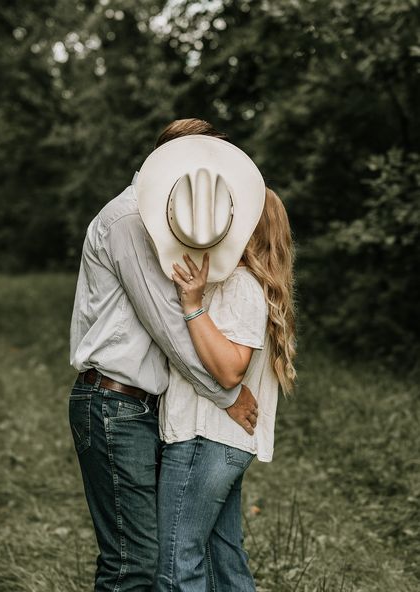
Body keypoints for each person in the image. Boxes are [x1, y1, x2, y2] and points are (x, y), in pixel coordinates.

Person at [68, 119, 259, 592]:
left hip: (139, 407)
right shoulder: (130, 219)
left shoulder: (164, 223)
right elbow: (169, 323)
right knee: (132, 565)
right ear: (172, 163)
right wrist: (225, 394)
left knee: (149, 559)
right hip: (115, 404)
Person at [153, 190, 296, 590]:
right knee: (222, 561)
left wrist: (192, 304)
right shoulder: (246, 283)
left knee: (178, 565)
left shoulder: (240, 285)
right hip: (219, 442)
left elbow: (232, 369)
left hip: (205, 439)